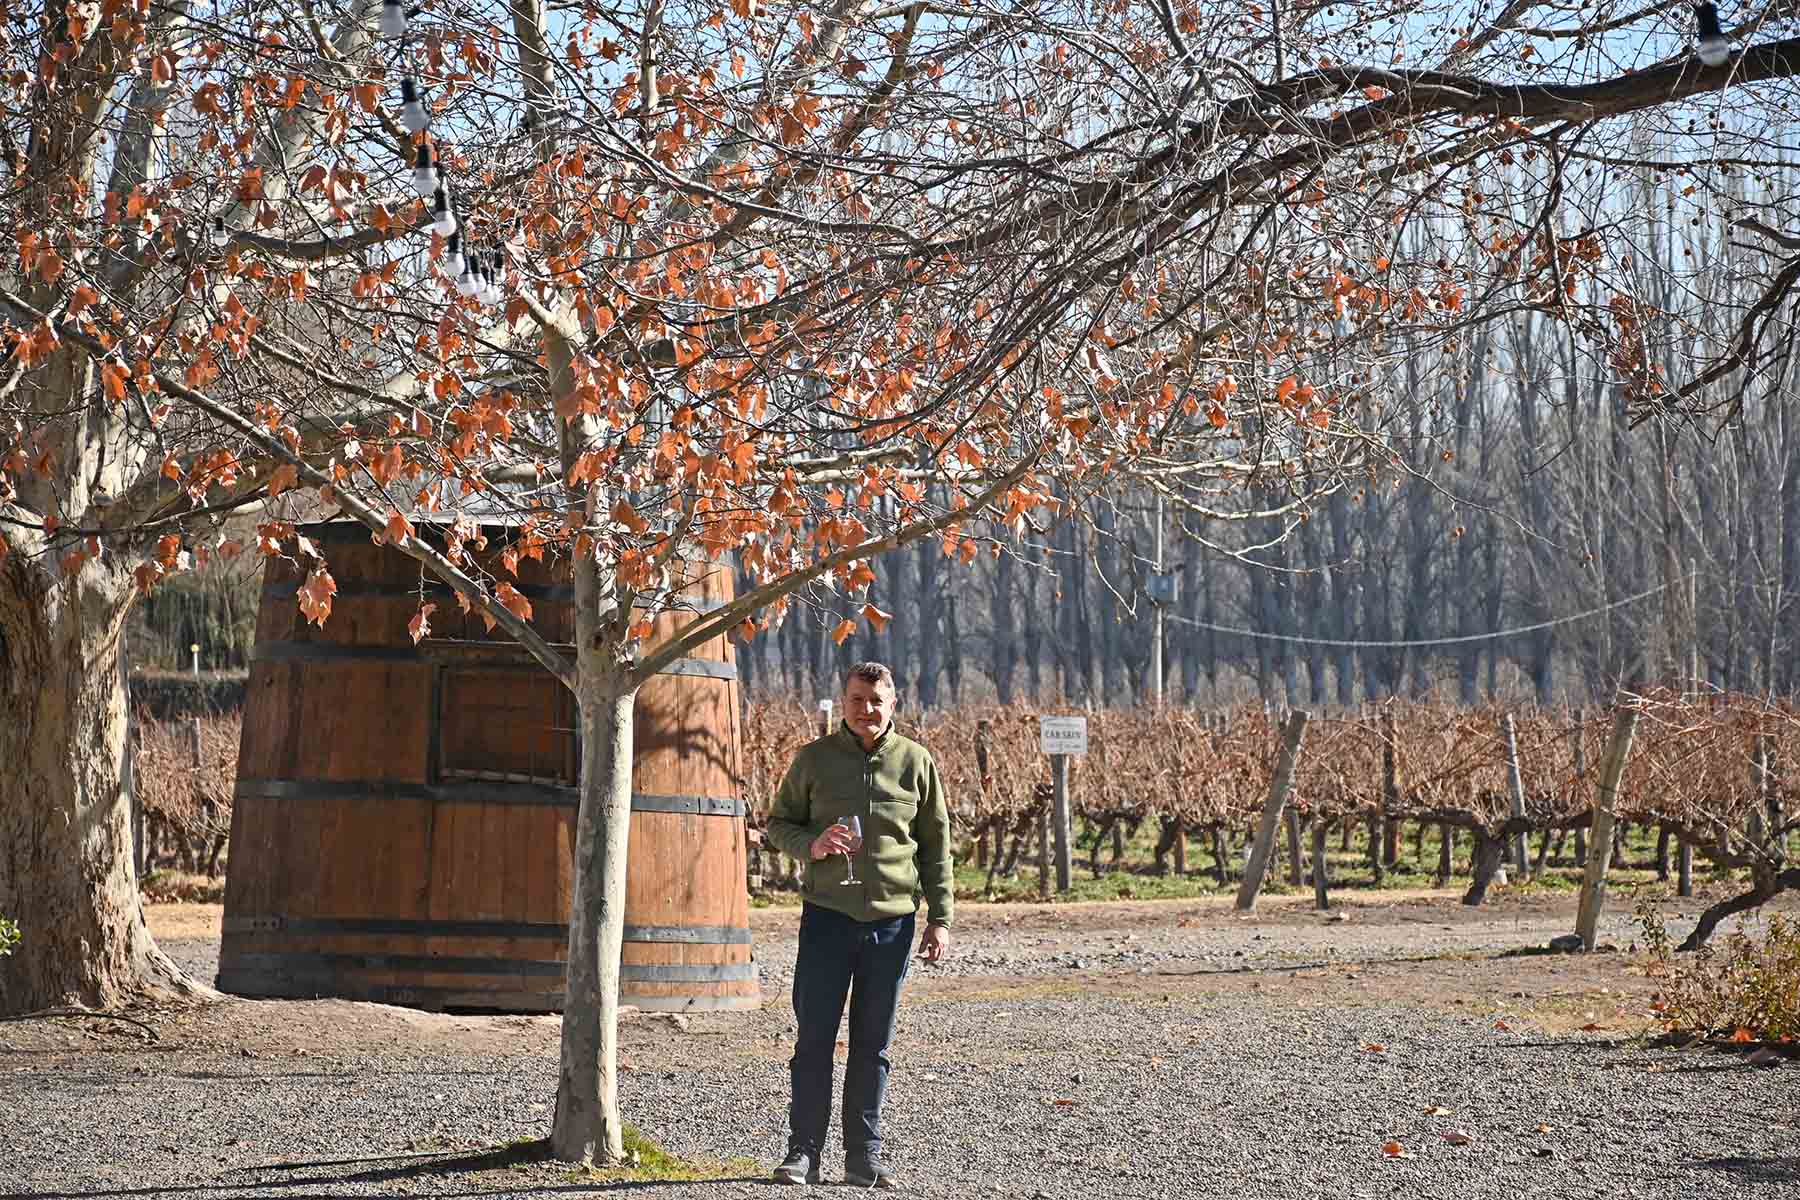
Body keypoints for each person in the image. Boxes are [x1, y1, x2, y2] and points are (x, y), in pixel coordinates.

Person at [762, 661, 953, 1188]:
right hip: (827, 918)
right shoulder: (814, 760)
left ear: (893, 703)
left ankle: (863, 1156)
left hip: (892, 924)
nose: (865, 709)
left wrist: (941, 918)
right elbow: (778, 824)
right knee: (814, 1040)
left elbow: (936, 847)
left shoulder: (917, 763)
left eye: (875, 700)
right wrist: (812, 845)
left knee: (874, 1044)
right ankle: (802, 1153)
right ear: (842, 702)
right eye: (856, 699)